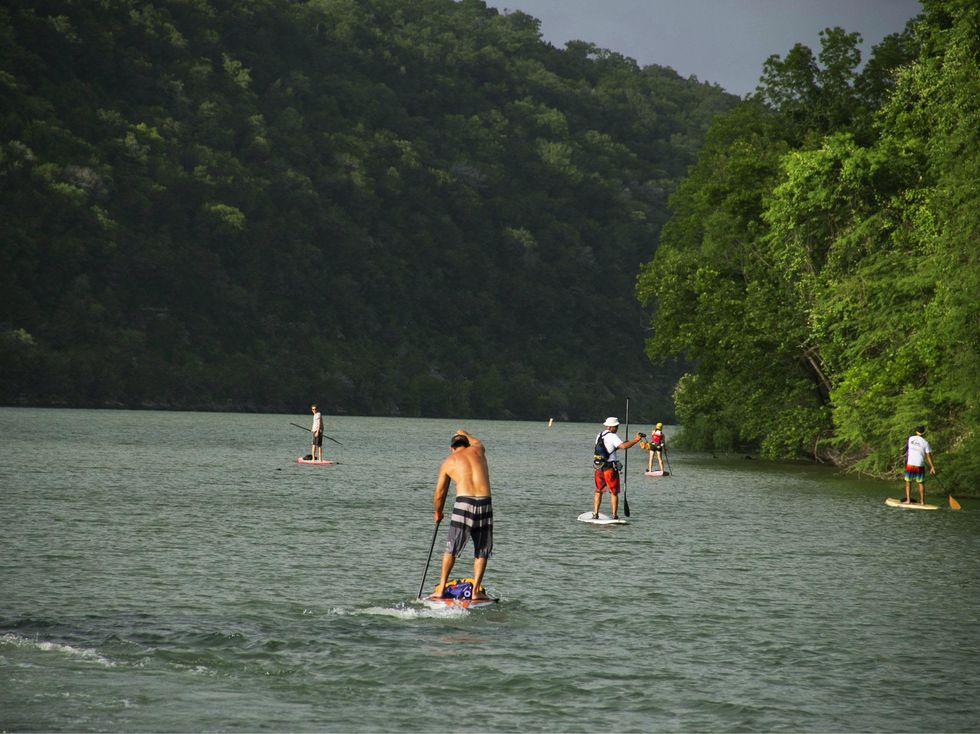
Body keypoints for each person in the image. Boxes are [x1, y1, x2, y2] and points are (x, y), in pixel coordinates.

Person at [430, 429, 493, 600]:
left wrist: (438, 512)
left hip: (464, 502)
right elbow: (477, 441)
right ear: (467, 444)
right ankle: (475, 592)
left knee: (451, 548)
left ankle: (441, 589)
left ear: (452, 448)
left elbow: (439, 494)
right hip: (484, 501)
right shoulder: (478, 450)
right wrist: (464, 431)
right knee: (482, 549)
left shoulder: (448, 462)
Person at [593, 417, 644, 520]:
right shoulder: (612, 436)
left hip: (599, 467)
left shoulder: (600, 435)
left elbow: (608, 448)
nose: (617, 428)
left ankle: (595, 514)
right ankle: (614, 516)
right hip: (610, 469)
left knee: (598, 491)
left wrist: (622, 444)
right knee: (613, 492)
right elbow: (624, 447)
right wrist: (636, 440)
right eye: (616, 427)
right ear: (611, 427)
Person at [903, 425, 936, 504]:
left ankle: (908, 500)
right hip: (920, 464)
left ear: (916, 431)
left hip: (910, 464)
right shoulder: (925, 442)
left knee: (908, 482)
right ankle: (922, 501)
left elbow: (907, 450)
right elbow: (928, 456)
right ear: (924, 433)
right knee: (920, 483)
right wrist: (932, 467)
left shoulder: (910, 438)